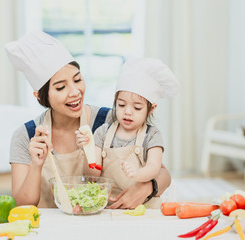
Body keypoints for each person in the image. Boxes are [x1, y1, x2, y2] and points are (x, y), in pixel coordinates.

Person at [5, 31, 172, 209]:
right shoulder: (26, 136)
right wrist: (36, 165)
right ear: (40, 96)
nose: (75, 92)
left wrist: (146, 187)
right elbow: (22, 204)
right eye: (61, 87)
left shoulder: (110, 121)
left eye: (78, 79)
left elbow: (164, 175)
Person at [76, 58, 179, 208]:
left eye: (137, 108)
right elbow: (91, 176)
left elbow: (154, 167)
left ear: (151, 109)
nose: (128, 112)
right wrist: (88, 150)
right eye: (121, 105)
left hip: (143, 206)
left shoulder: (152, 134)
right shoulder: (103, 132)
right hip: (109, 204)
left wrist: (138, 175)